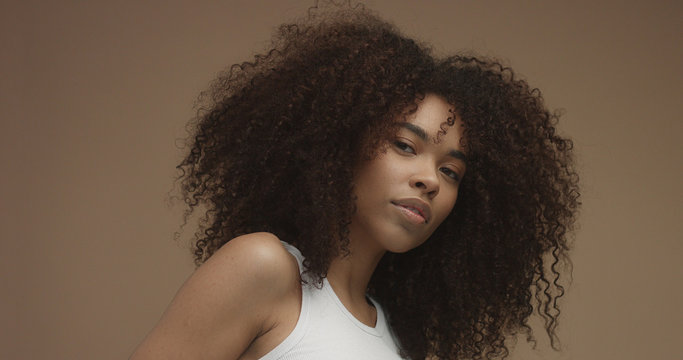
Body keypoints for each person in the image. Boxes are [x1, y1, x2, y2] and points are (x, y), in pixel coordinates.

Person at [131, 3, 579, 360]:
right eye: (405, 145)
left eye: (451, 171)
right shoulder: (263, 269)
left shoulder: (397, 339)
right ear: (342, 143)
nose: (430, 181)